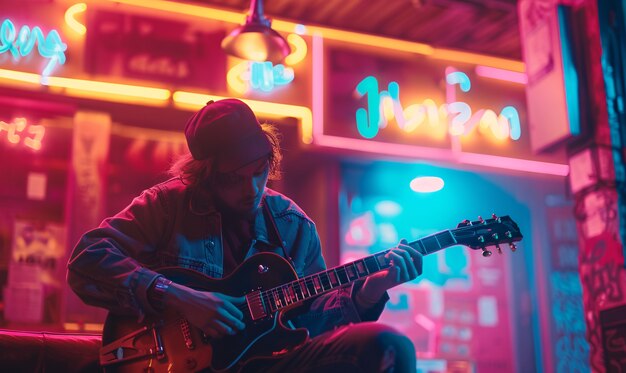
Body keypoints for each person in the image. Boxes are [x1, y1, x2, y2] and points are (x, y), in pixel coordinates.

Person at [67, 98, 422, 372]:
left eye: (258, 171)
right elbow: (88, 259)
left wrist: (369, 290)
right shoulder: (167, 204)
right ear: (205, 176)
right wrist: (180, 297)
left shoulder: (293, 224)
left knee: (387, 345)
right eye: (232, 178)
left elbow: (313, 319)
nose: (251, 187)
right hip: (174, 362)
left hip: (266, 364)